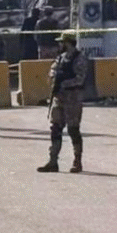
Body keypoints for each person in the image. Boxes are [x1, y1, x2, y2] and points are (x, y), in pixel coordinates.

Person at [38, 31, 87, 173]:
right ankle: (53, 161)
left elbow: (80, 79)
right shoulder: (60, 58)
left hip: (73, 99)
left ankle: (77, 161)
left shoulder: (80, 59)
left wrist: (65, 83)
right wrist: (54, 77)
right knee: (55, 129)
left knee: (73, 130)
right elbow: (52, 71)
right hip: (59, 98)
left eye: (62, 42)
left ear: (68, 43)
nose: (59, 45)